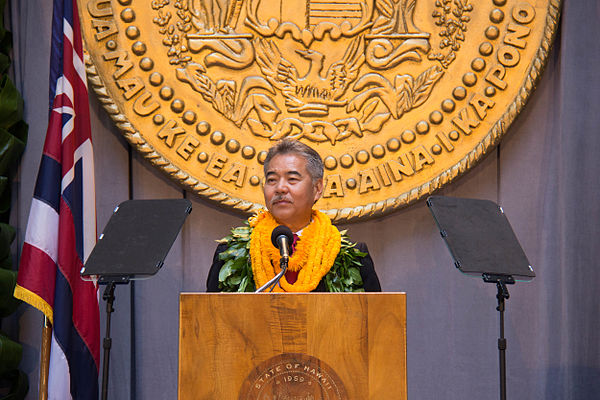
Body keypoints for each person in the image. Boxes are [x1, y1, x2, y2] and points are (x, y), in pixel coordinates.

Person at [206, 139, 381, 292]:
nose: (280, 188)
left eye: (292, 179)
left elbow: (373, 324)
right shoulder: (229, 253)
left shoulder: (353, 258)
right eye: (272, 180)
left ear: (317, 188)